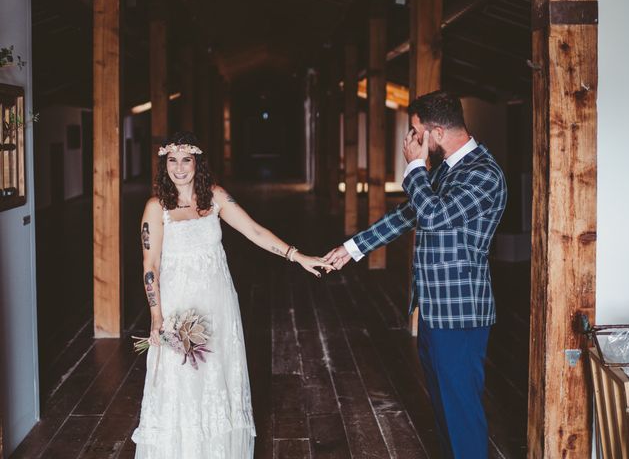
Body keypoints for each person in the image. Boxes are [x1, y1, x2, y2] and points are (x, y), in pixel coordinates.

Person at [324, 91, 507, 459]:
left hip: (461, 315)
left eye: (416, 132)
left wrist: (414, 168)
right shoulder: (446, 170)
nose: (412, 141)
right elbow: (411, 214)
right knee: (443, 408)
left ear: (436, 132)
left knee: (461, 413)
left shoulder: (484, 175)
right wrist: (353, 248)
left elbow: (435, 217)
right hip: (434, 310)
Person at [131, 131, 332, 458]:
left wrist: (297, 256)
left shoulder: (215, 196)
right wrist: (157, 317)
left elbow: (254, 231)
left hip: (218, 302)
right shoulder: (157, 207)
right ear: (164, 164)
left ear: (197, 162)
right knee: (178, 377)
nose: (179, 168)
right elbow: (150, 263)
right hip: (179, 306)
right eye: (172, 160)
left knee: (216, 375)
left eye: (186, 160)